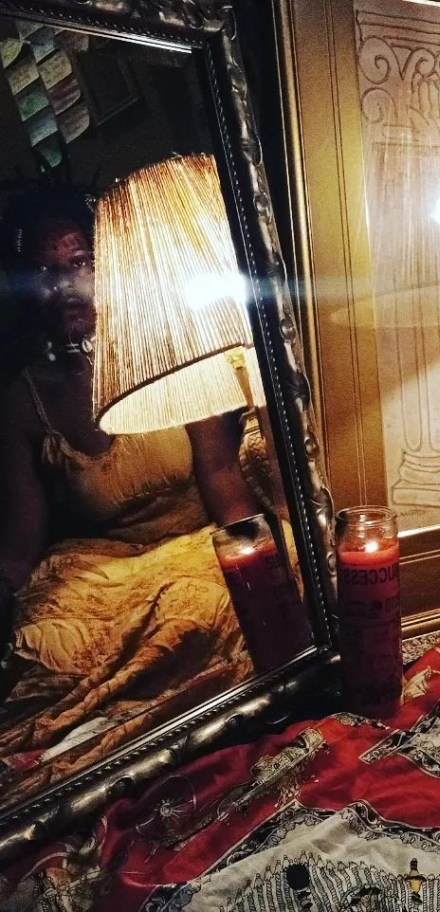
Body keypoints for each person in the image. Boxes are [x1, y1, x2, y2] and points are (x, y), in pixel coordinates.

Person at [0, 183, 266, 800]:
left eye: (80, 262)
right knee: (47, 646)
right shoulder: (22, 396)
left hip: (197, 541)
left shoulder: (163, 344)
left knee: (206, 603)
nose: (65, 284)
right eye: (44, 271)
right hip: (107, 566)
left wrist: (258, 556)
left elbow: (221, 475)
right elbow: (20, 535)